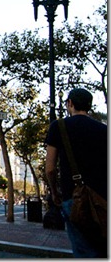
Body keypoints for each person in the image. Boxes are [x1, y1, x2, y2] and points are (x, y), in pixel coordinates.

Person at [45, 88, 107, 258]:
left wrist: (54, 192)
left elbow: (50, 168)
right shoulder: (104, 130)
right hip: (102, 198)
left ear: (70, 103)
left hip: (73, 196)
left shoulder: (59, 127)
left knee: (83, 250)